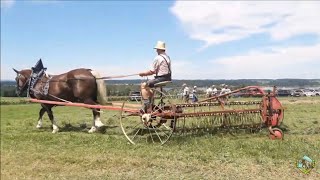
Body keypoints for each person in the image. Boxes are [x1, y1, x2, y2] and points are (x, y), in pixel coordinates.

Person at [138, 41, 172, 112]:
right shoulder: (167, 57)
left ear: (159, 49)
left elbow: (152, 71)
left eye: (157, 49)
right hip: (168, 77)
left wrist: (143, 74)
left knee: (143, 85)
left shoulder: (158, 58)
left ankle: (147, 104)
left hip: (161, 78)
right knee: (151, 88)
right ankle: (151, 103)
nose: (156, 50)